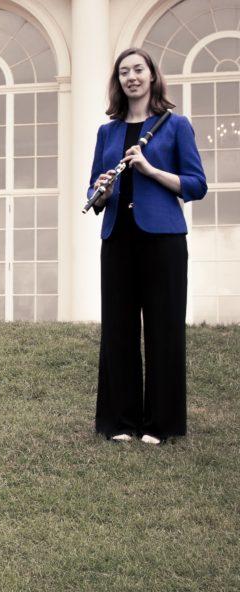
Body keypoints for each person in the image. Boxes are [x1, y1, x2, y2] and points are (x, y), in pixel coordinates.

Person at [86, 48, 206, 444]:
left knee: (163, 328)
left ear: (152, 75)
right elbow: (93, 188)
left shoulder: (176, 125)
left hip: (163, 240)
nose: (131, 77)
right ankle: (120, 422)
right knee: (118, 328)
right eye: (124, 72)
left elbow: (196, 185)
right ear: (118, 81)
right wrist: (102, 192)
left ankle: (161, 424)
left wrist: (150, 169)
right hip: (118, 237)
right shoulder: (107, 132)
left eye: (138, 69)